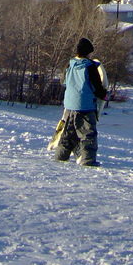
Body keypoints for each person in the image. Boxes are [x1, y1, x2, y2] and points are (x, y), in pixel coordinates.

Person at [53, 38, 107, 168]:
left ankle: (60, 156)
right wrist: (104, 95)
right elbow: (97, 88)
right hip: (85, 106)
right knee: (88, 135)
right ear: (88, 52)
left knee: (68, 134)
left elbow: (63, 83)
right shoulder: (90, 67)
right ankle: (88, 161)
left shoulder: (70, 64)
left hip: (69, 105)